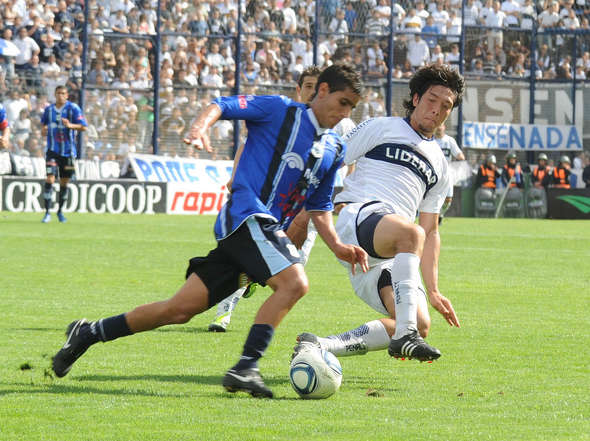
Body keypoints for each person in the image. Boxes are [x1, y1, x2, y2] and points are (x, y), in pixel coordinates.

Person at [50, 63, 368, 399]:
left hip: (259, 232)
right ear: (321, 90)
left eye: (351, 107)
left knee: (179, 310)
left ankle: (88, 333)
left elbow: (319, 207)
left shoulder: (335, 148)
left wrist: (337, 246)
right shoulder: (279, 109)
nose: (345, 112)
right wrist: (200, 126)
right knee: (295, 283)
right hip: (246, 215)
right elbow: (224, 104)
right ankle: (247, 366)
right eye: (342, 102)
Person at [293, 64, 463, 364]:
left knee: (420, 324)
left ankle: (320, 346)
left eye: (446, 106)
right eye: (431, 100)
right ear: (415, 98)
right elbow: (331, 160)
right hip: (359, 216)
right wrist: (304, 212)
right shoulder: (381, 127)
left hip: (390, 250)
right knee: (411, 233)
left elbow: (432, 230)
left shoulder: (440, 164)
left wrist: (434, 290)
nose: (436, 110)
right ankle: (405, 338)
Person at [208, 65, 357, 332]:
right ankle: (224, 312)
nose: (311, 92)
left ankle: (256, 289)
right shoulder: (282, 115)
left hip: (308, 210)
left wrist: (345, 192)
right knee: (249, 265)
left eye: (316, 86)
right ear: (300, 90)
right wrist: (235, 175)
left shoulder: (342, 124)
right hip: (265, 209)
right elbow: (246, 144)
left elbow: (348, 160)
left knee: (291, 271)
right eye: (307, 87)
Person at [41, 85, 87, 223]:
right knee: (50, 179)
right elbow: (43, 125)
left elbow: (83, 126)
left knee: (64, 182)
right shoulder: (49, 110)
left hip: (68, 153)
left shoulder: (73, 109)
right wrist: (43, 130)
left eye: (63, 93)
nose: (60, 95)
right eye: (58, 93)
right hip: (52, 152)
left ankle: (60, 212)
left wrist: (71, 126)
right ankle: (47, 212)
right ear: (55, 95)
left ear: (67, 95)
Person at [434, 123, 465, 223]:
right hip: (433, 174)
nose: (439, 128)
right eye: (437, 126)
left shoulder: (449, 140)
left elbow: (459, 154)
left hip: (447, 175)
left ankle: (440, 214)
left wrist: (460, 157)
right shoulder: (430, 140)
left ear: (444, 127)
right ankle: (430, 217)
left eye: (441, 125)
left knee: (448, 200)